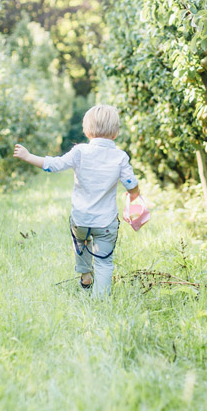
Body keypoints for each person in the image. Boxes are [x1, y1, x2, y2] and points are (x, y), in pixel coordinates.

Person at [13, 104, 141, 297]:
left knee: (81, 244)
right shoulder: (120, 156)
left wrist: (29, 156)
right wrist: (134, 195)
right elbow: (131, 183)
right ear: (115, 133)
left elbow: (53, 165)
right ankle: (100, 301)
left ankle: (85, 275)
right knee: (104, 262)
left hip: (80, 219)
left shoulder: (79, 151)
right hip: (105, 222)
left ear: (87, 131)